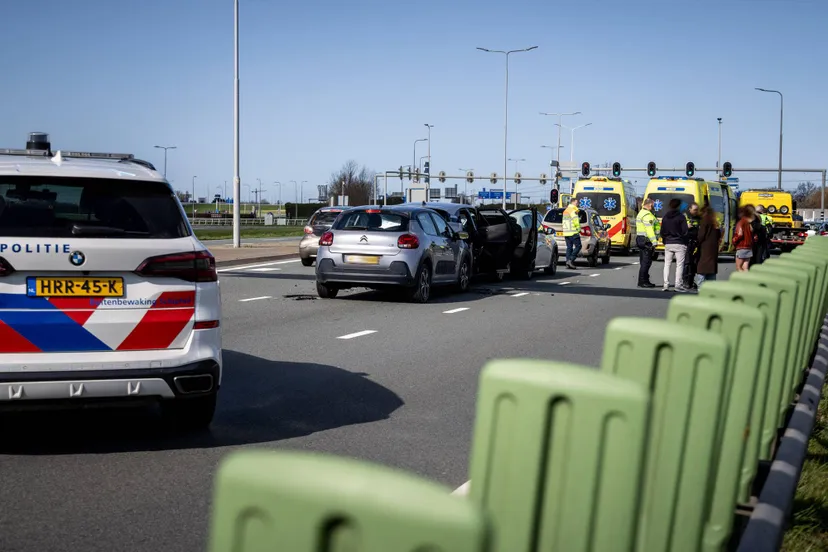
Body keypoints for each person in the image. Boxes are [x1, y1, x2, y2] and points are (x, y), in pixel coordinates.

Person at [660, 198, 690, 292]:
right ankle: (678, 285)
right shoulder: (681, 217)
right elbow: (685, 231)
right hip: (679, 243)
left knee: (667, 264)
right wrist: (685, 242)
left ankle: (666, 284)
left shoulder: (665, 216)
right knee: (679, 265)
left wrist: (665, 240)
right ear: (678, 206)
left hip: (668, 242)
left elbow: (662, 231)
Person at [635, 198, 659, 288]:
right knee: (646, 262)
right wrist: (654, 241)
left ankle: (644, 280)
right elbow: (649, 229)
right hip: (646, 240)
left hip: (641, 239)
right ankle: (643, 281)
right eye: (653, 205)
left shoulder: (642, 213)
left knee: (643, 261)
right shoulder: (647, 215)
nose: (654, 207)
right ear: (650, 205)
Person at [695, 205, 720, 286]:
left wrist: (696, 243)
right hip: (713, 248)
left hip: (705, 248)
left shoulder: (704, 221)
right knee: (711, 269)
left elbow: (701, 235)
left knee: (702, 268)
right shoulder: (715, 222)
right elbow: (719, 234)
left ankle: (701, 287)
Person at [683, 202, 701, 289]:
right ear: (690, 209)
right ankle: (685, 281)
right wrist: (686, 227)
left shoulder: (699, 218)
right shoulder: (685, 217)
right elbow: (679, 229)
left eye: (697, 210)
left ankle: (691, 280)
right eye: (694, 210)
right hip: (687, 242)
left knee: (694, 263)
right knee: (687, 262)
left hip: (696, 242)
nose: (696, 211)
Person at [733, 205, 755, 272]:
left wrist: (734, 241)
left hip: (741, 247)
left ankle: (741, 281)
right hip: (749, 247)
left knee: (739, 267)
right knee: (745, 268)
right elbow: (754, 236)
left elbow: (740, 234)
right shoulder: (749, 223)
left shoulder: (741, 222)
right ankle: (747, 280)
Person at [561, 197, 582, 270]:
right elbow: (575, 220)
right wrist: (578, 228)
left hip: (566, 232)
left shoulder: (566, 210)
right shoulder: (573, 210)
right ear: (573, 202)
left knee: (569, 248)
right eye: (576, 202)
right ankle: (571, 260)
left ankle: (567, 262)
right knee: (578, 246)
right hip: (573, 231)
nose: (577, 204)